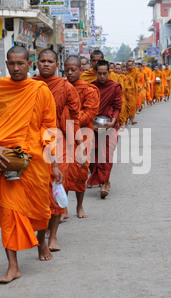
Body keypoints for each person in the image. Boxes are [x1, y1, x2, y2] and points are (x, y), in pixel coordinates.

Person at [0, 45, 60, 284]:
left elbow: (49, 127)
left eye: (21, 64)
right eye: (11, 64)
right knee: (8, 211)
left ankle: (40, 244)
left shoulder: (40, 90)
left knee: (38, 207)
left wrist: (54, 162)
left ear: (30, 65)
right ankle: (13, 267)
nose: (16, 68)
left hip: (35, 160)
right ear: (6, 64)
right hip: (6, 160)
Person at [33, 49, 82, 253]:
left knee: (56, 188)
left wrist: (76, 140)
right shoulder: (30, 85)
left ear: (56, 64)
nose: (46, 64)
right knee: (37, 190)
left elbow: (75, 113)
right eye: (43, 61)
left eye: (50, 61)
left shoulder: (65, 86)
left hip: (59, 142)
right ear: (36, 63)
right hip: (34, 142)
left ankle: (52, 236)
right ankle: (37, 231)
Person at [63, 56, 100, 219]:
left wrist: (70, 119)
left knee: (80, 171)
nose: (70, 73)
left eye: (73, 70)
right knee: (61, 171)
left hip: (83, 134)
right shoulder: (60, 87)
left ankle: (79, 206)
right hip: (63, 133)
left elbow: (90, 113)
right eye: (67, 70)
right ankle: (63, 209)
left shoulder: (89, 90)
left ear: (80, 70)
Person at [88, 60, 122, 199]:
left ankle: (103, 184)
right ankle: (105, 181)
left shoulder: (115, 87)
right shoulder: (91, 87)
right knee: (96, 157)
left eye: (105, 73)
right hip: (94, 125)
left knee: (107, 154)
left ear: (109, 72)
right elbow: (88, 108)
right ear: (95, 73)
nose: (102, 76)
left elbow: (117, 106)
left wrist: (113, 121)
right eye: (99, 73)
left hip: (110, 125)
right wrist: (91, 124)